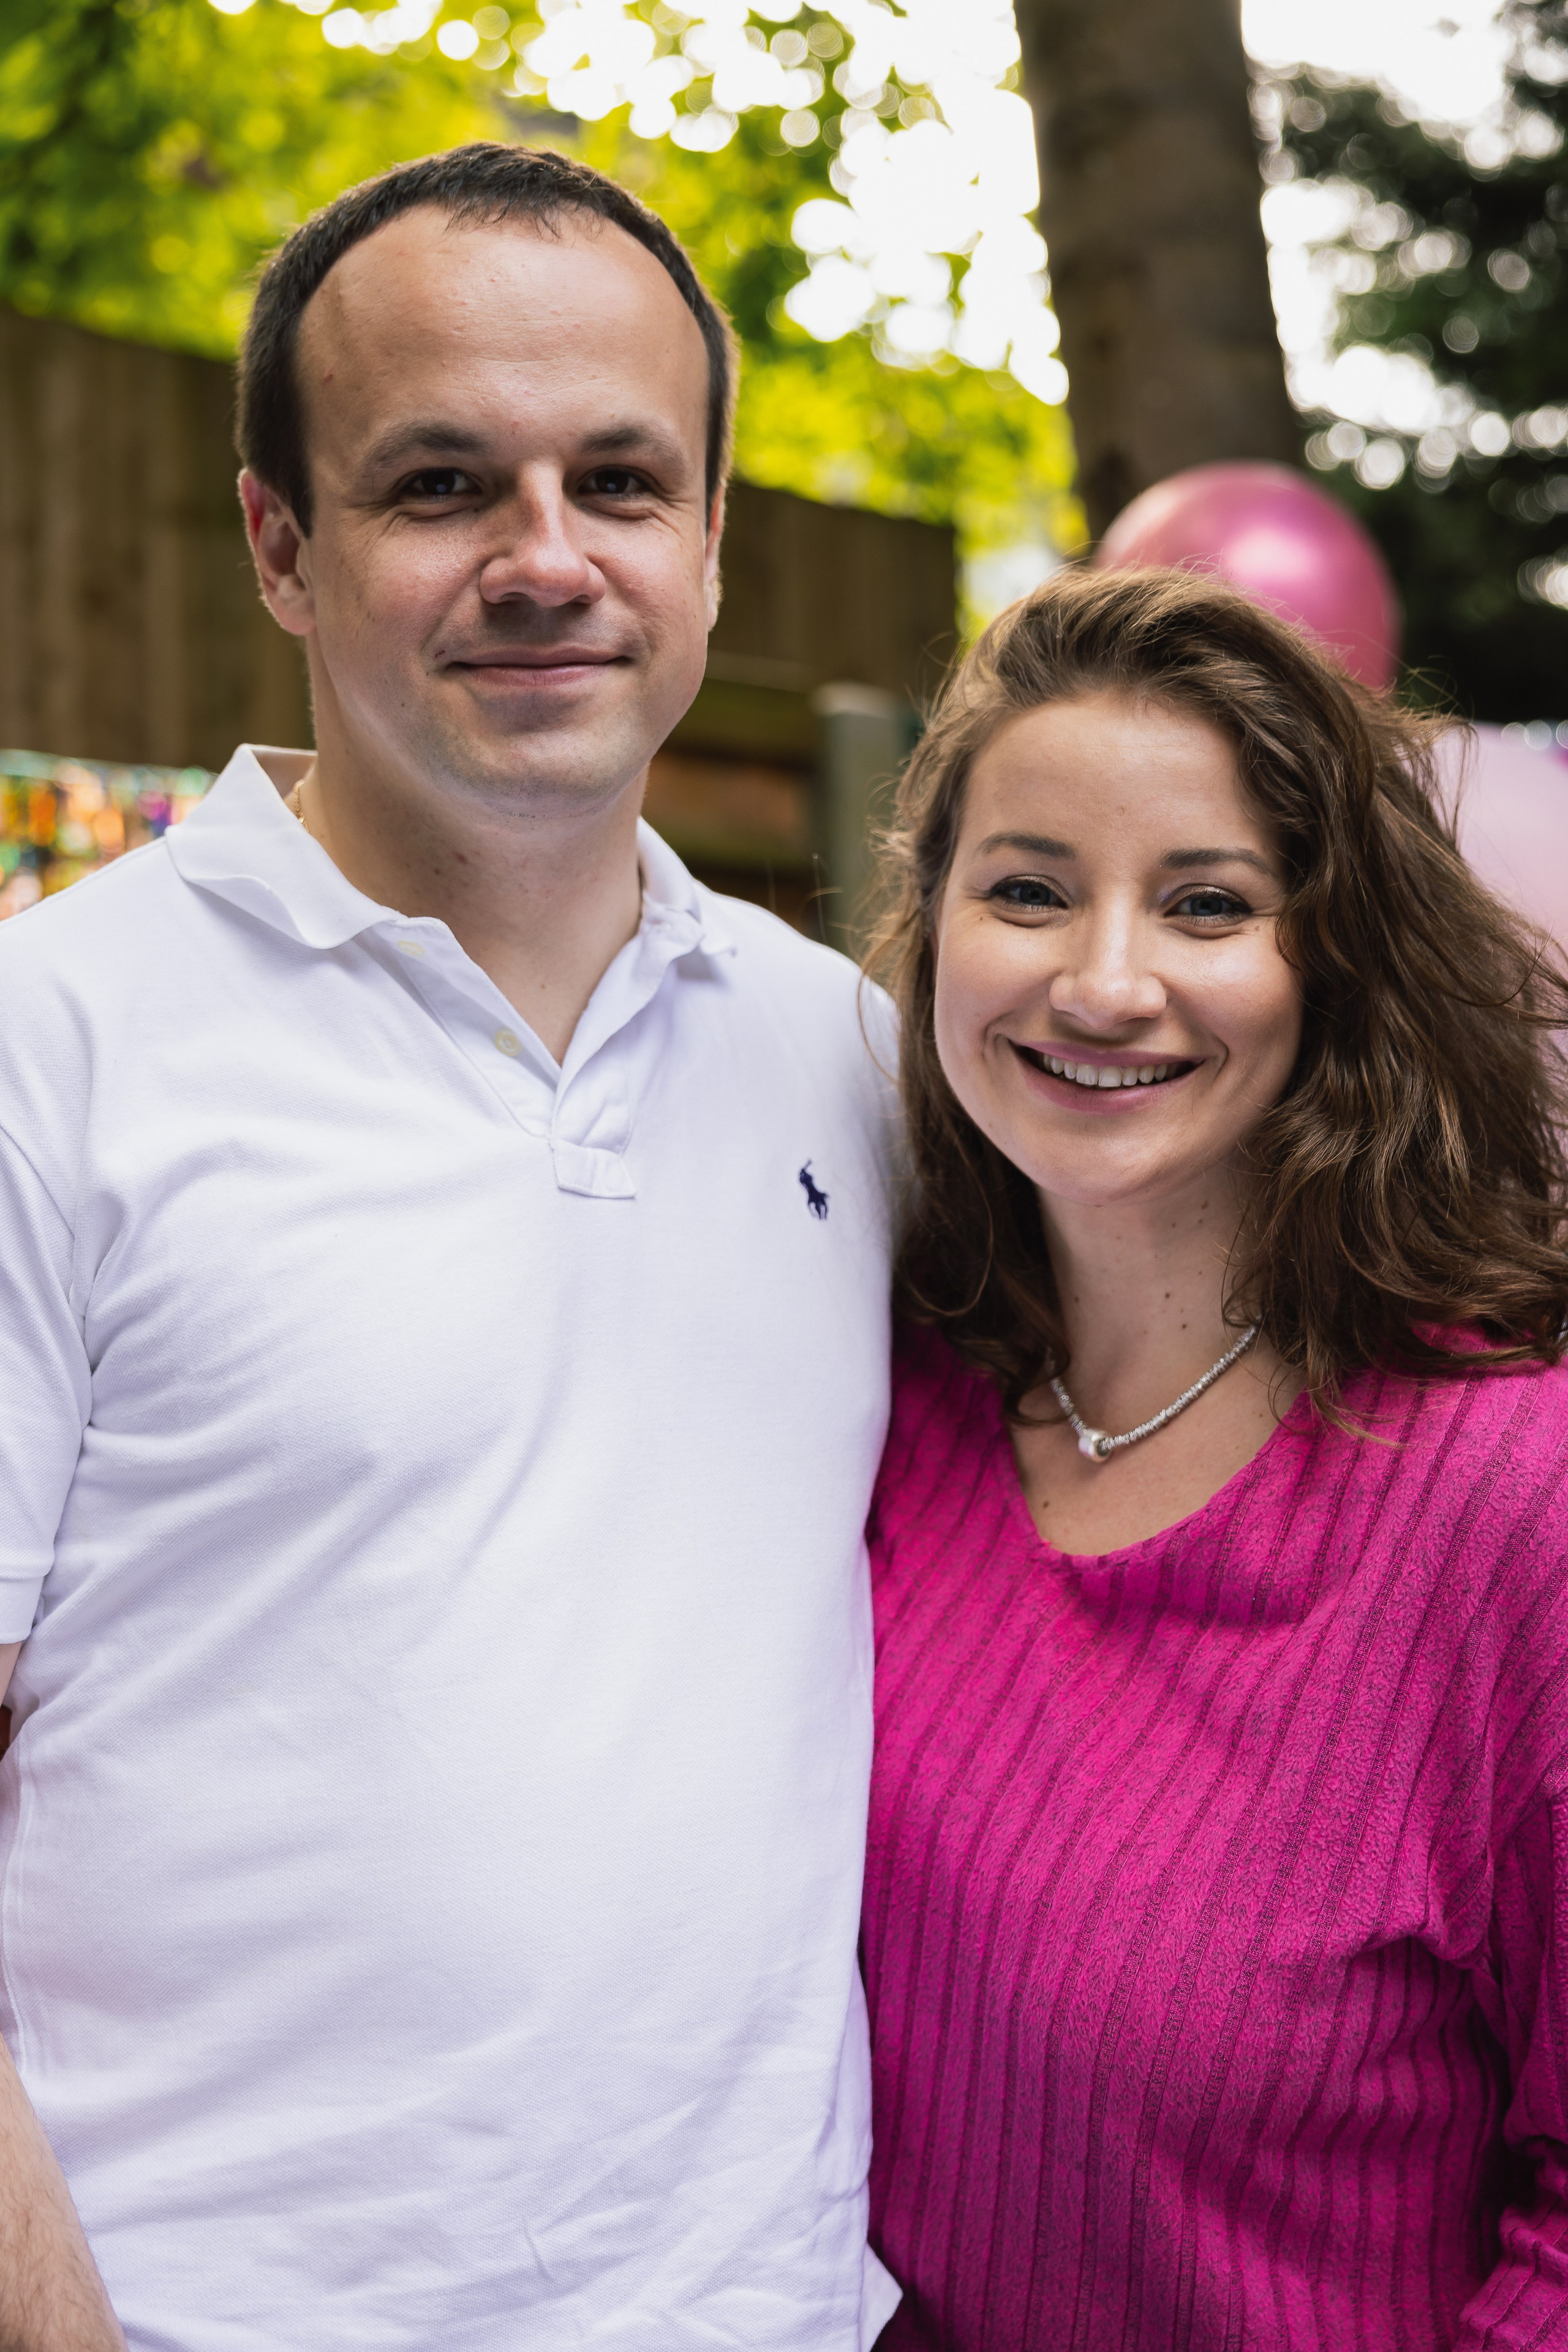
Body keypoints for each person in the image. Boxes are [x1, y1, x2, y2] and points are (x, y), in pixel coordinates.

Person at [0, 144, 901, 2351]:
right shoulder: (49, 1044)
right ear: (279, 547)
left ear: (710, 539)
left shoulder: (857, 1060)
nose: (547, 559)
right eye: (439, 485)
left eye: (621, 480)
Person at [859, 566, 1568, 2349]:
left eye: (1209, 905)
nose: (1105, 983)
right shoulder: (891, 1394)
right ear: (932, 929)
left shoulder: (1516, 1494)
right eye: (1029, 890)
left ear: (1333, 960)